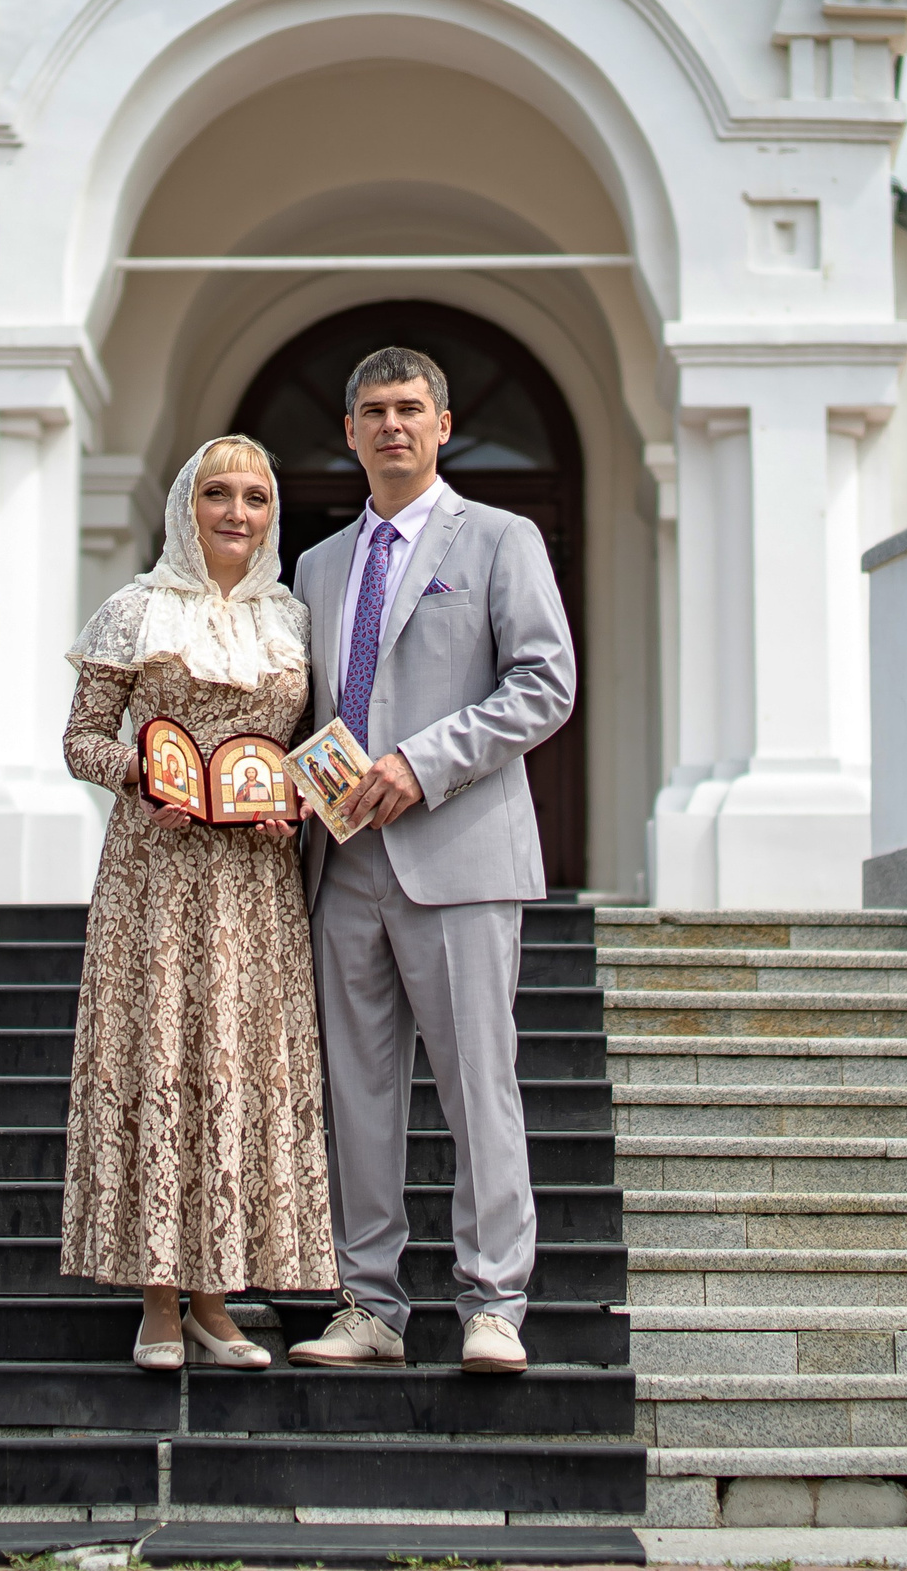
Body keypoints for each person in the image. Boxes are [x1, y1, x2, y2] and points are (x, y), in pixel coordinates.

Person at [284, 347, 577, 1376]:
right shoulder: (316, 565)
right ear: (351, 432)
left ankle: (493, 1302)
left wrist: (423, 762)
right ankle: (369, 1305)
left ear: (443, 425)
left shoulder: (500, 538)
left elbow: (544, 684)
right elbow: (306, 711)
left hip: (458, 854)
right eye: (373, 411)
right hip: (343, 864)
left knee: (475, 1087)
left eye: (410, 408)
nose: (392, 426)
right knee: (357, 1096)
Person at [60, 435, 335, 1369]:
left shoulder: (293, 621)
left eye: (255, 496)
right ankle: (157, 1302)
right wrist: (140, 770)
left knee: (235, 1067)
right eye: (217, 493)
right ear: (186, 506)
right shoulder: (137, 608)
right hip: (157, 872)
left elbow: (315, 746)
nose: (236, 512)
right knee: (160, 1058)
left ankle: (218, 1298)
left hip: (255, 881)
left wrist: (295, 800)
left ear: (272, 513)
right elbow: (82, 737)